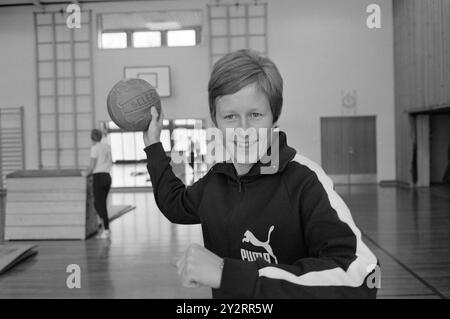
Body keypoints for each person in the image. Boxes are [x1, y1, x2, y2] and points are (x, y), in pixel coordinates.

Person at [143, 49, 379, 298]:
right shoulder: (216, 181)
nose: (244, 130)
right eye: (230, 117)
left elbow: (363, 276)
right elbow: (174, 204)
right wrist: (153, 146)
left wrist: (229, 274)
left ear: (274, 117)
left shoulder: (305, 180)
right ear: (215, 120)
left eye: (255, 115)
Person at [84, 129, 113, 239]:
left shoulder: (94, 148)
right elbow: (110, 161)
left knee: (100, 205)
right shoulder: (107, 146)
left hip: (99, 177)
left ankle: (106, 229)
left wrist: (84, 174)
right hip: (107, 177)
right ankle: (104, 225)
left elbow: (91, 166)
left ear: (92, 138)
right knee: (99, 203)